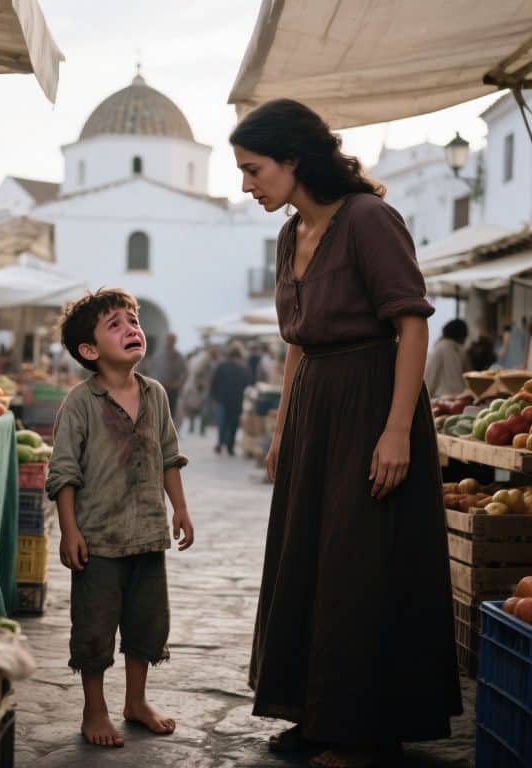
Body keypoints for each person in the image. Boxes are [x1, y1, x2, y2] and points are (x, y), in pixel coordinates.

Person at [230, 99, 461, 768]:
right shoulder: (288, 233)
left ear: (293, 160)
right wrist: (280, 429)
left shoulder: (368, 220)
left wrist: (398, 432)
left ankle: (366, 732)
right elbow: (296, 341)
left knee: (360, 567)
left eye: (253, 170)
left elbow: (411, 325)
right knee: (309, 559)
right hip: (313, 410)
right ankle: (316, 710)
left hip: (370, 402)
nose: (247, 186)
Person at [46, 288, 194, 748]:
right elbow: (63, 471)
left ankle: (136, 700)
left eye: (133, 321)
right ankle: (95, 707)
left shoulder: (156, 394)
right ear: (89, 351)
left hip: (148, 534)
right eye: (116, 324)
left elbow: (169, 456)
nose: (132, 328)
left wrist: (181, 509)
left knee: (146, 625)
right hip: (99, 539)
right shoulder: (80, 402)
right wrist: (70, 530)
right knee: (94, 627)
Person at [210, 343, 251, 455]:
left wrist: (215, 396)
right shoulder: (243, 368)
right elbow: (247, 384)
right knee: (233, 423)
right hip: (237, 400)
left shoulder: (221, 365)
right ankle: (230, 446)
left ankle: (220, 443)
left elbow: (214, 382)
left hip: (222, 398)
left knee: (222, 422)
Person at [424, 319, 469, 398]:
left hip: (442, 397)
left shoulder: (441, 347)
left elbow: (430, 377)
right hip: (458, 397)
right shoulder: (458, 350)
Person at [148, 333, 187, 418]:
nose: (171, 342)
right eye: (170, 340)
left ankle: (167, 429)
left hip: (173, 388)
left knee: (170, 412)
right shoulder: (158, 355)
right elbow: (152, 370)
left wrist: (179, 384)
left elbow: (184, 372)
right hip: (160, 387)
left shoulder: (178, 356)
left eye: (173, 340)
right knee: (158, 411)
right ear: (166, 341)